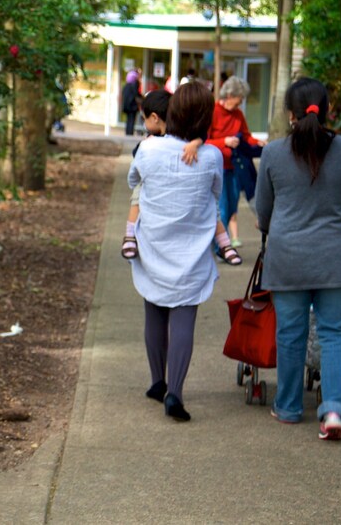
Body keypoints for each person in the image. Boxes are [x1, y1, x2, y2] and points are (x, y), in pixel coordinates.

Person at [254, 77, 341, 441]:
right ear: (327, 110)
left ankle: (287, 407)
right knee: (334, 334)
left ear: (290, 114)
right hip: (336, 257)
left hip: (287, 257)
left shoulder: (272, 153)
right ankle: (333, 409)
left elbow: (263, 214)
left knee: (290, 333)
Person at [127, 82, 222, 422]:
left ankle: (157, 381)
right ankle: (175, 393)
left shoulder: (148, 150)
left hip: (154, 244)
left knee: (154, 311)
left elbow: (132, 181)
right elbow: (216, 192)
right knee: (183, 318)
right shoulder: (212, 157)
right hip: (191, 251)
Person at [121, 90, 240, 266]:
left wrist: (195, 143)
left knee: (211, 206)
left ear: (154, 117)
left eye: (144, 118)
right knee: (210, 205)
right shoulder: (152, 143)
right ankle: (129, 235)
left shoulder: (152, 145)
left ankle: (224, 243)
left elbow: (132, 178)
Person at [206, 76, 266, 249]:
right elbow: (204, 141)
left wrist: (259, 143)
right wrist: (224, 141)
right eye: (240, 98)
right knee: (222, 208)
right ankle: (220, 248)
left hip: (235, 167)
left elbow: (247, 137)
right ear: (231, 94)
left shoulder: (238, 114)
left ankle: (218, 245)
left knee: (232, 207)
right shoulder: (213, 111)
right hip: (218, 168)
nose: (241, 102)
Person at [121, 69, 142, 136]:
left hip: (127, 105)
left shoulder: (126, 86)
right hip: (132, 105)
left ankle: (128, 132)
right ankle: (130, 133)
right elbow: (136, 94)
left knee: (128, 120)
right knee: (131, 119)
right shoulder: (134, 85)